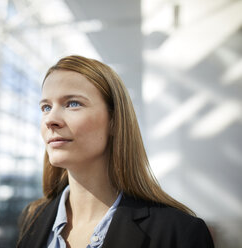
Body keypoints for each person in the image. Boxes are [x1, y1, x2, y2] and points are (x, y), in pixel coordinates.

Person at [16, 55, 214, 248]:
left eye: (73, 104)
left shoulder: (179, 233)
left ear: (114, 121)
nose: (50, 119)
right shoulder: (33, 219)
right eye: (46, 107)